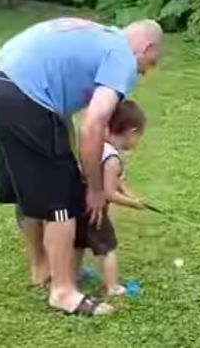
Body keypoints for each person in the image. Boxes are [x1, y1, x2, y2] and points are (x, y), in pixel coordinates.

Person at [0, 17, 162, 315]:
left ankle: (40, 267)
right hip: (26, 95)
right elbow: (93, 126)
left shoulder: (98, 37)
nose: (143, 72)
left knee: (29, 184)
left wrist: (74, 159)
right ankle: (63, 292)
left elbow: (63, 113)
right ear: (147, 47)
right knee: (63, 197)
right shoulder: (123, 58)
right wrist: (96, 189)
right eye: (150, 65)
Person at [75, 100, 146, 296]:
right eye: (139, 136)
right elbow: (109, 192)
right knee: (108, 247)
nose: (137, 142)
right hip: (95, 209)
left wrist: (133, 195)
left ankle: (72, 277)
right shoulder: (112, 159)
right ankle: (113, 287)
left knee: (79, 242)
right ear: (131, 132)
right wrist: (132, 204)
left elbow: (117, 183)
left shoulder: (97, 146)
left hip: (78, 202)